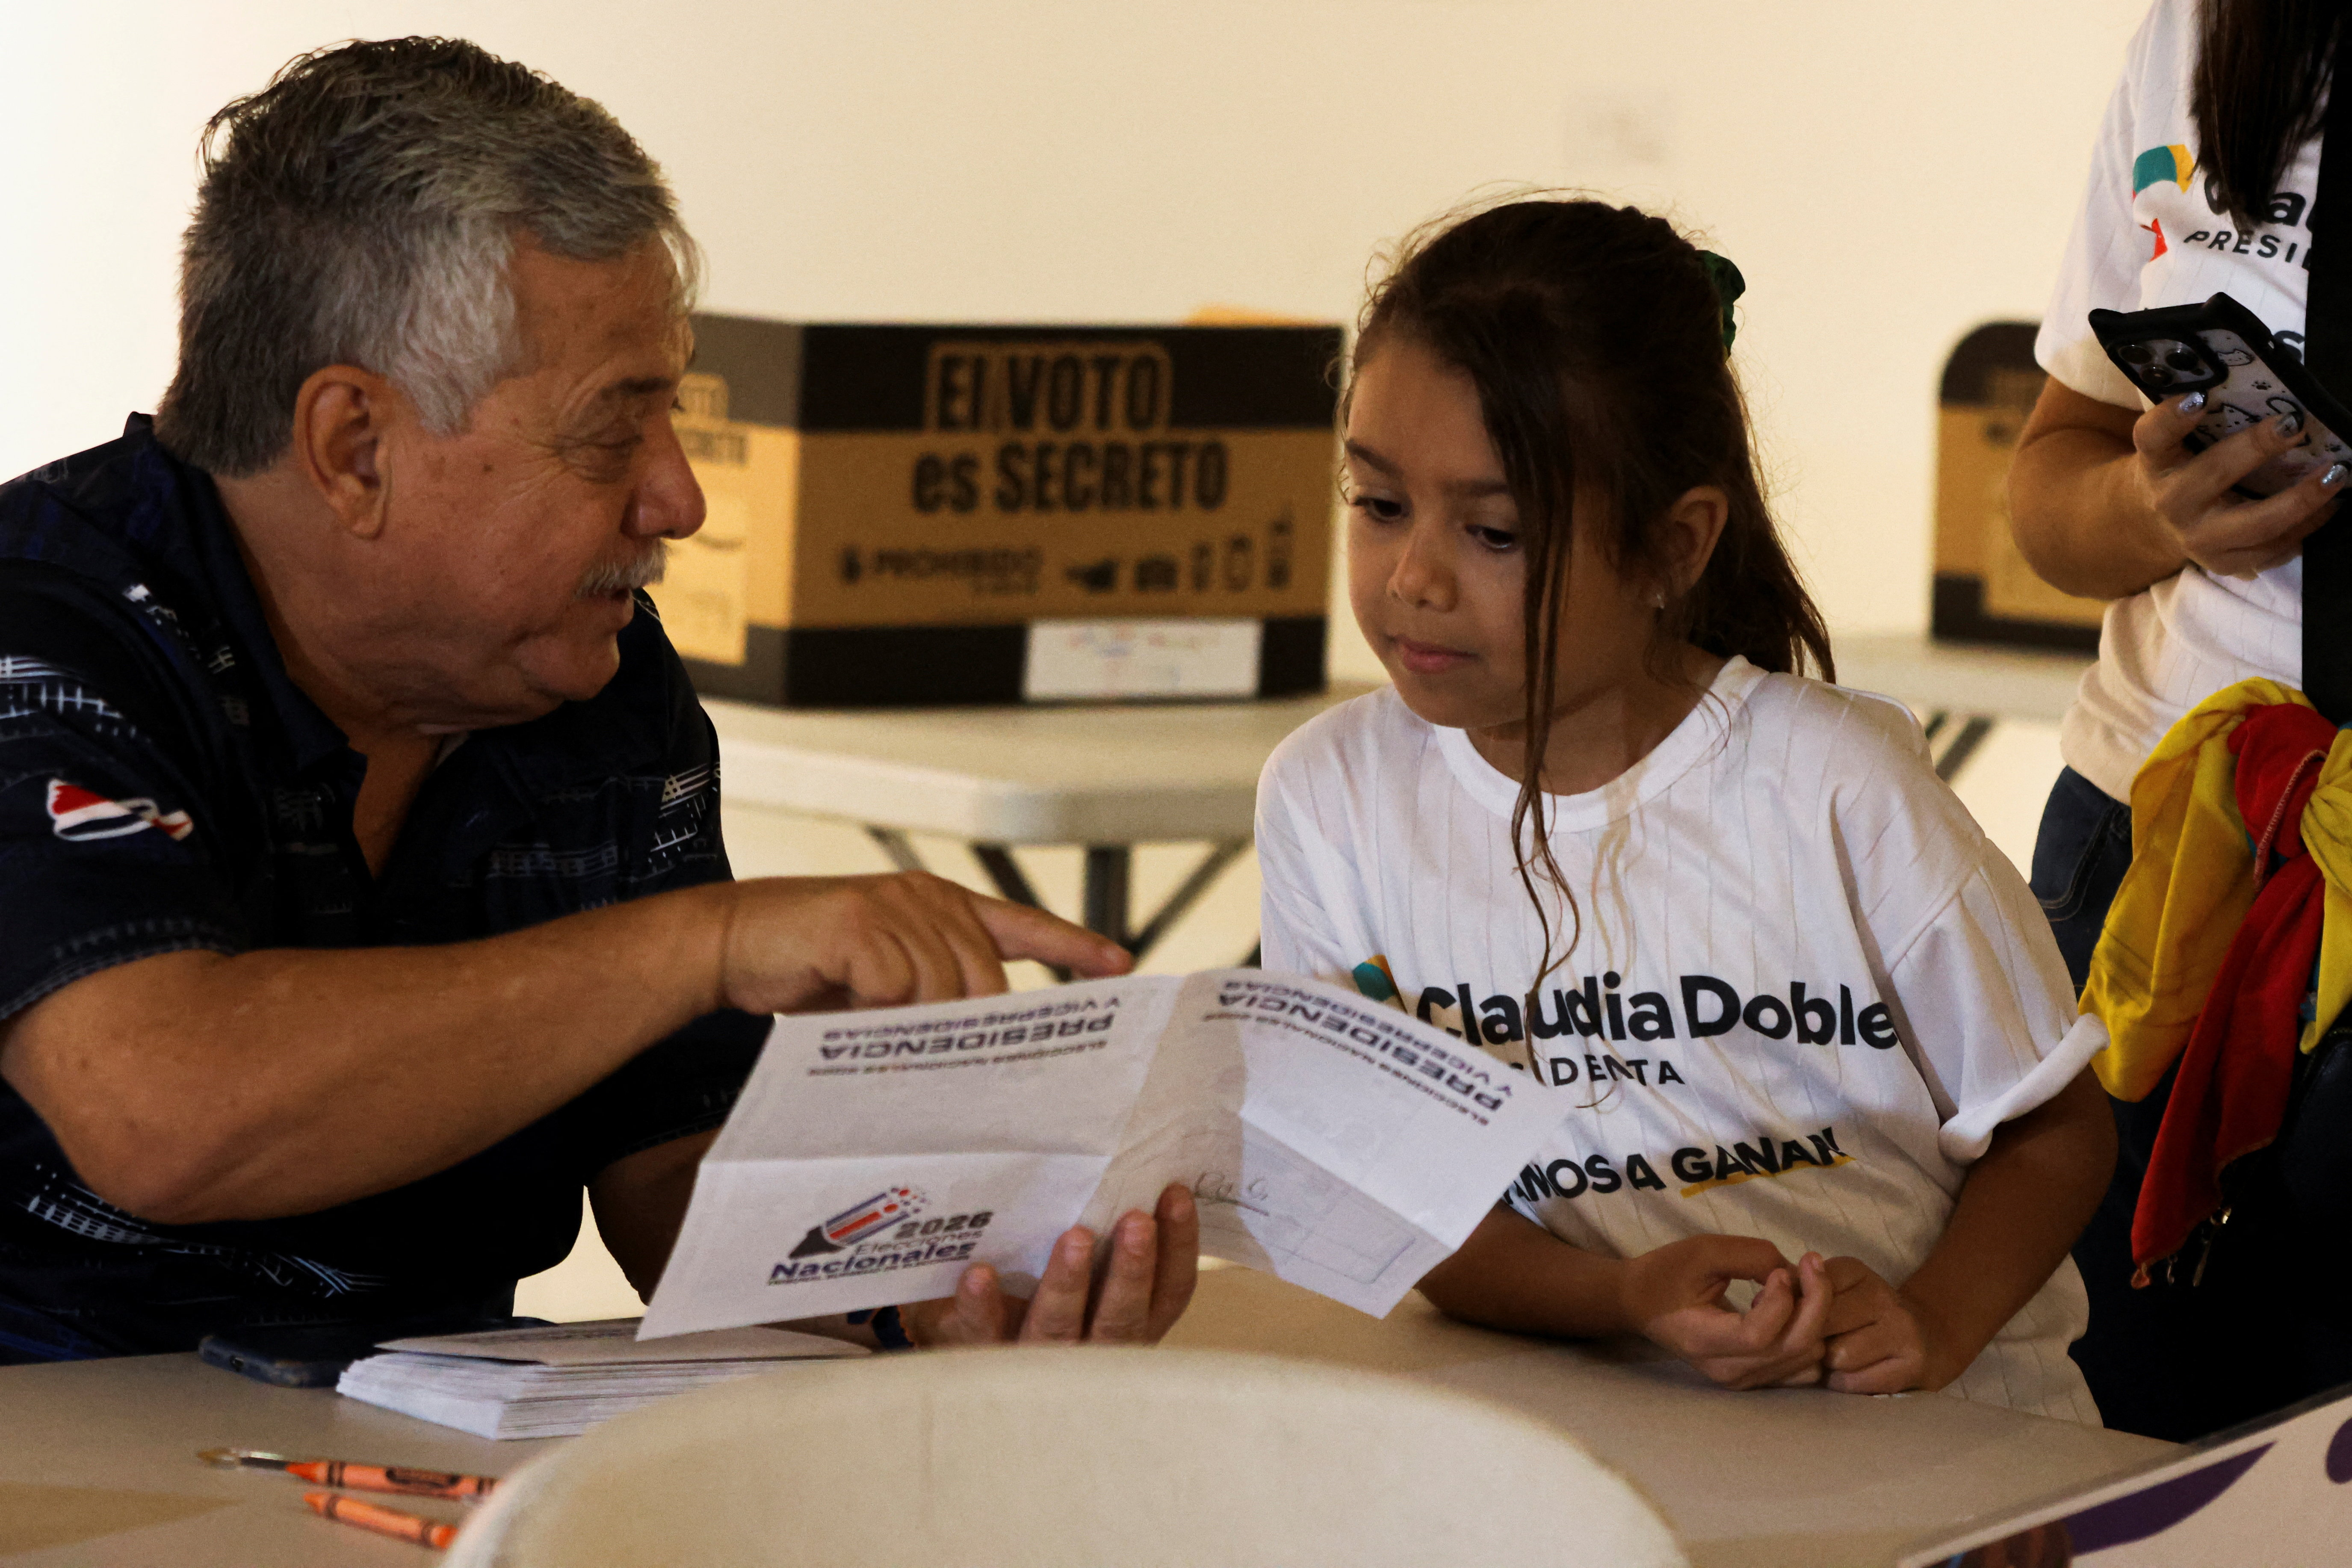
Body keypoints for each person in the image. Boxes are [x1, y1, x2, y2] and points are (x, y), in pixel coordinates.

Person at [0, 37, 1197, 1364]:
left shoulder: (592, 679)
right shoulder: (43, 632)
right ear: (354, 448)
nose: (676, 498)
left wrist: (931, 1290)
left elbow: (674, 1179)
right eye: (610, 428)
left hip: (411, 1466)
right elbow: (165, 1112)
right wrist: (703, 942)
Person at [1254, 198, 2115, 1421]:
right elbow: (1393, 1196)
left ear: (1672, 546)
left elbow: (2057, 1129)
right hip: (1616, 1441)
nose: (1412, 577)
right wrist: (1621, 1296)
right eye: (1378, 502)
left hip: (1949, 1451)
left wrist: (1930, 1319)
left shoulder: (1835, 783)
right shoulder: (1326, 799)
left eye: (1492, 529)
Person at [2008, 0, 2346, 1440]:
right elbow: (2048, 483)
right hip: (2155, 850)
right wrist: (2154, 508)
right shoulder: (2211, 30)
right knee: (2105, 1436)